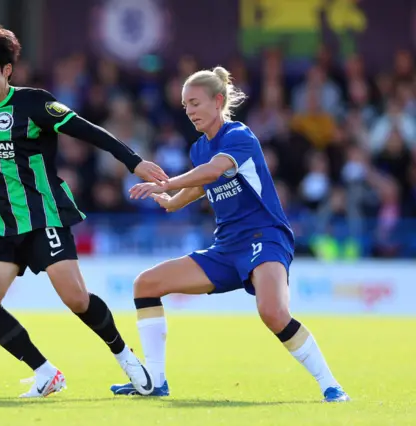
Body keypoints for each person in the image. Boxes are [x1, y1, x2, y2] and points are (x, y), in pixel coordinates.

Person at [0, 25, 167, 398]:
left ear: (7, 71)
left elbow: (91, 132)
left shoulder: (34, 103)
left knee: (76, 298)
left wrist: (133, 162)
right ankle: (45, 372)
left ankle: (127, 358)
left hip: (43, 217)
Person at [110, 66, 350, 403]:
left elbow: (212, 171)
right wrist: (172, 202)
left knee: (273, 313)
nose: (189, 111)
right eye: (185, 106)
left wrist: (166, 183)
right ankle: (155, 381)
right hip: (226, 247)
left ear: (218, 100)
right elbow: (200, 184)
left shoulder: (239, 135)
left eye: (195, 103)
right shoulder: (198, 149)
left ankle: (331, 386)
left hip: (264, 236)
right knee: (145, 285)